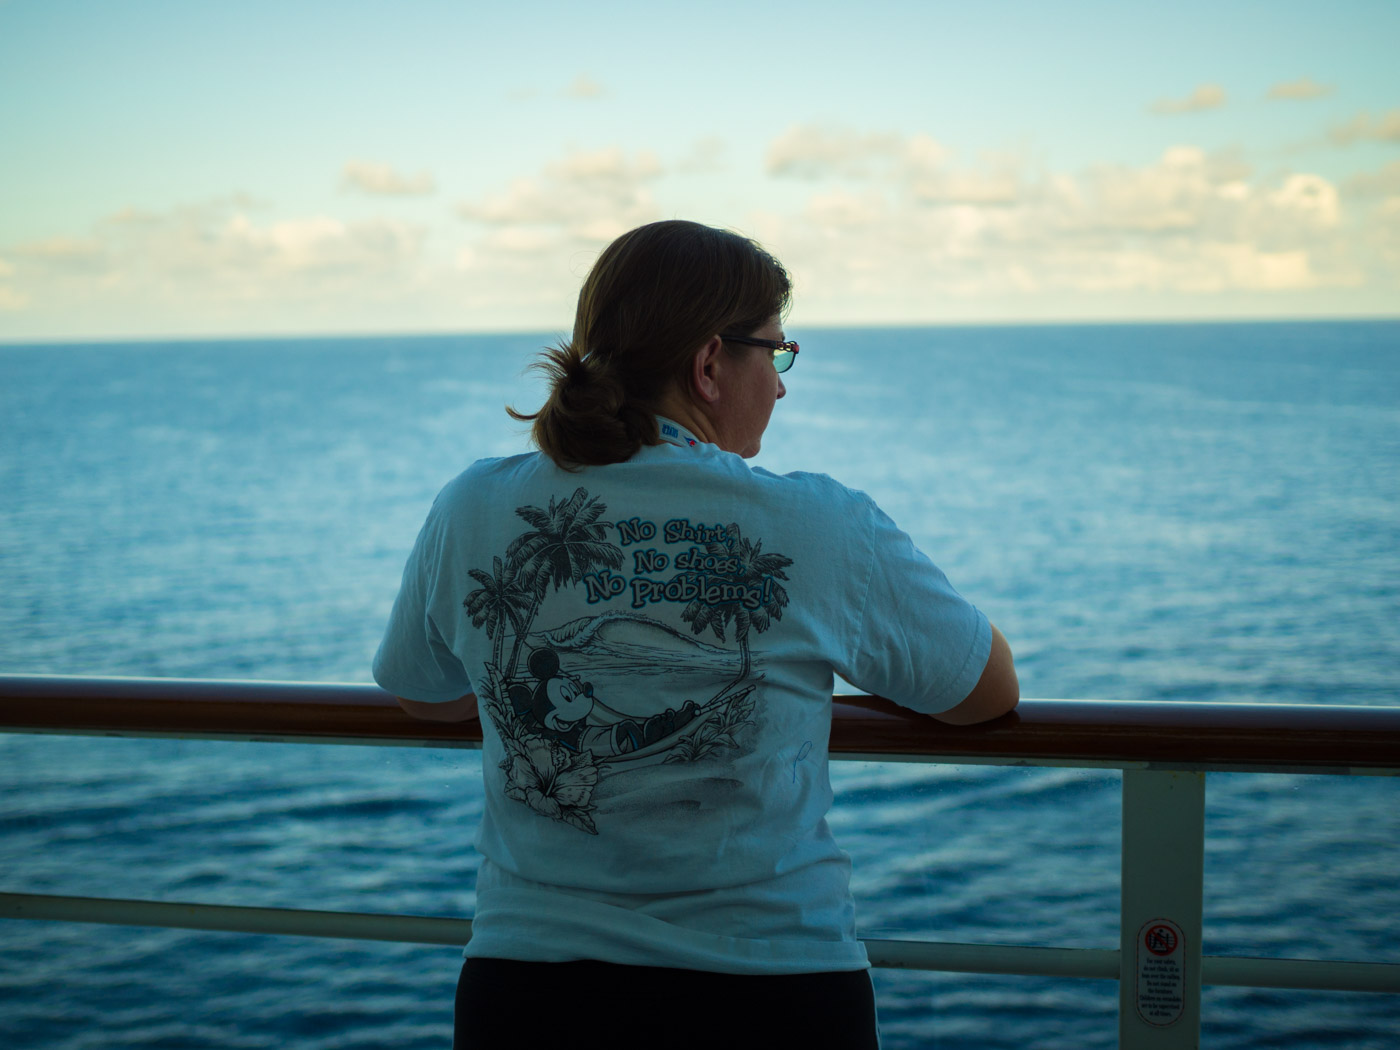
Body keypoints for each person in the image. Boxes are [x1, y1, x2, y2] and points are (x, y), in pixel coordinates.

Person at [373, 219, 1019, 1049]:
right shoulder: (815, 522)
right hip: (769, 995)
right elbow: (985, 692)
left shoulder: (474, 505)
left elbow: (423, 697)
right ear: (711, 365)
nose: (782, 386)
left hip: (532, 994)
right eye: (777, 355)